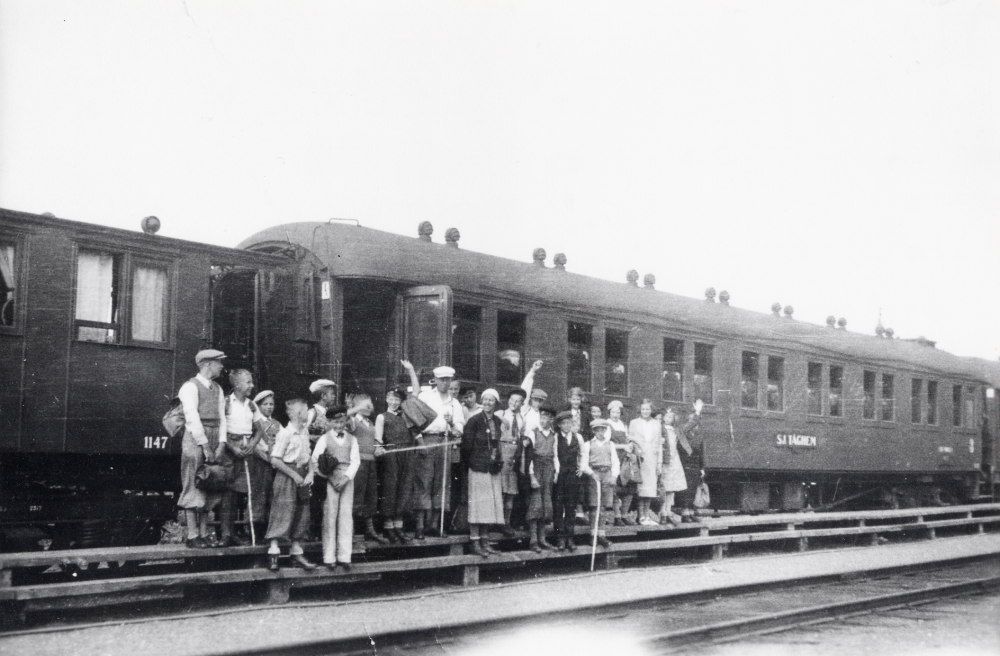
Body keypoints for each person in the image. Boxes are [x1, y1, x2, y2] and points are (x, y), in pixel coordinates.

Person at [177, 349, 228, 549]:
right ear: (208, 364)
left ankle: (205, 533)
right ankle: (192, 535)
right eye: (219, 363)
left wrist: (221, 443)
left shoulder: (218, 389)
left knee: (211, 483)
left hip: (214, 437)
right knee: (193, 482)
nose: (221, 367)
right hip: (196, 438)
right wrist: (205, 445)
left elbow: (222, 418)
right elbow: (192, 417)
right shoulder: (190, 387)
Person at [414, 365, 466, 539]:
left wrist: (451, 423)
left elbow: (459, 430)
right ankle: (420, 526)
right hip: (427, 441)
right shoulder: (425, 397)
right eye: (441, 379)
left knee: (442, 483)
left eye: (447, 380)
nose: (444, 383)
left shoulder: (454, 403)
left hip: (445, 441)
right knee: (424, 481)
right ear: (435, 380)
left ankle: (435, 525)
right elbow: (413, 422)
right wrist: (420, 443)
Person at [265, 398, 316, 571]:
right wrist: (294, 475)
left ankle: (296, 553)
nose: (308, 413)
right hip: (287, 476)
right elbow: (275, 460)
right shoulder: (285, 433)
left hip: (302, 476)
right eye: (306, 410)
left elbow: (308, 456)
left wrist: (310, 473)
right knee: (282, 512)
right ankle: (274, 553)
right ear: (299, 414)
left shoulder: (305, 432)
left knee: (302, 514)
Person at [220, 369, 266, 546]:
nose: (252, 385)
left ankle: (242, 532)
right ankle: (226, 534)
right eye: (248, 382)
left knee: (244, 491)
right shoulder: (225, 402)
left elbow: (260, 429)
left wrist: (252, 445)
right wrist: (232, 447)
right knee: (228, 492)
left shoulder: (251, 405)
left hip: (246, 449)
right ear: (237, 384)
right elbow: (221, 429)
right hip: (229, 449)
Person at [313, 405, 360, 570]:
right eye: (335, 422)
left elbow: (356, 461)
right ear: (330, 422)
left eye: (342, 422)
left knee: (346, 517)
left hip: (347, 480)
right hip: (330, 480)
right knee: (330, 516)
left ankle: (344, 556)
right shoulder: (324, 439)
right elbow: (315, 460)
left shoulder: (352, 439)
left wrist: (346, 478)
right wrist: (330, 477)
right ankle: (329, 557)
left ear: (346, 421)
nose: (339, 425)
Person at [460, 388, 505, 558]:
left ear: (496, 403)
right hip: (478, 468)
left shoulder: (498, 421)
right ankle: (475, 542)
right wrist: (473, 463)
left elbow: (498, 444)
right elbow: (466, 447)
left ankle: (485, 541)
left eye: (491, 400)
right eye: (485, 399)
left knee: (489, 506)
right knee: (478, 506)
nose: (487, 403)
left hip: (493, 469)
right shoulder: (474, 421)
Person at [376, 381, 416, 544]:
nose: (394, 402)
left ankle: (399, 526)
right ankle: (388, 527)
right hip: (391, 455)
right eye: (391, 399)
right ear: (386, 399)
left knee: (404, 487)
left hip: (407, 454)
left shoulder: (406, 416)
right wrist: (379, 448)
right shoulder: (381, 417)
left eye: (397, 399)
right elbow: (378, 439)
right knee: (391, 488)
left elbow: (416, 394)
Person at [346, 393, 387, 544]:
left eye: (371, 405)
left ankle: (370, 530)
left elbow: (375, 441)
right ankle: (349, 532)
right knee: (356, 496)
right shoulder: (353, 421)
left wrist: (378, 448)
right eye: (367, 406)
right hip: (358, 464)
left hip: (371, 464)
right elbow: (342, 417)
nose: (371, 408)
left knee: (371, 496)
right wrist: (354, 408)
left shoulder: (370, 422)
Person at [520, 406, 558, 552]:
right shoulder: (533, 432)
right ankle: (533, 540)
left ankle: (543, 539)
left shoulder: (554, 435)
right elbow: (529, 456)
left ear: (551, 420)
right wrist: (532, 477)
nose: (543, 420)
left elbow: (555, 455)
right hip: (536, 468)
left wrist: (556, 472)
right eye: (541, 417)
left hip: (548, 469)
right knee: (535, 504)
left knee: (546, 504)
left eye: (546, 418)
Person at [580, 418, 619, 548]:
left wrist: (614, 476)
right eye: (597, 430)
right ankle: (593, 535)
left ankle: (601, 535)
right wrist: (592, 474)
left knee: (603, 507)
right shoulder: (588, 444)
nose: (600, 433)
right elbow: (583, 464)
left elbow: (615, 462)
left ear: (605, 430)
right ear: (593, 431)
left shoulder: (610, 444)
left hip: (607, 474)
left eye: (602, 430)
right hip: (594, 475)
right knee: (594, 506)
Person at [248, 389, 281, 539]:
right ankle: (256, 532)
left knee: (271, 495)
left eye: (271, 404)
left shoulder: (276, 424)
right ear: (258, 406)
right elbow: (253, 443)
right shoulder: (255, 423)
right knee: (259, 495)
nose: (269, 407)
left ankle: (269, 530)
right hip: (259, 463)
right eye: (265, 404)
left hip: (273, 463)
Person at [497, 387, 528, 537]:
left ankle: (507, 522)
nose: (514, 404)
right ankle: (497, 522)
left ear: (522, 403)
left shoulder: (522, 418)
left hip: (515, 454)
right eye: (512, 400)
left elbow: (522, 437)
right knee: (501, 489)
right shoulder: (500, 414)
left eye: (518, 401)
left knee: (511, 491)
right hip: (502, 451)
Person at [552, 410, 583, 551]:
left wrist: (581, 467)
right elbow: (554, 455)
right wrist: (557, 472)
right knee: (558, 506)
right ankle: (560, 538)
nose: (566, 425)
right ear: (559, 425)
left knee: (571, 506)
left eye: (568, 423)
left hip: (573, 475)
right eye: (563, 423)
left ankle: (570, 538)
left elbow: (583, 454)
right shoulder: (555, 437)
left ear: (572, 423)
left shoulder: (577, 437)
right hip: (560, 475)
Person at [629, 400, 662, 526]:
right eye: (643, 409)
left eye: (647, 409)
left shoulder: (657, 424)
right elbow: (630, 440)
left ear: (651, 410)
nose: (645, 411)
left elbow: (659, 444)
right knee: (640, 488)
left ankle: (647, 516)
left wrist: (659, 462)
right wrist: (634, 455)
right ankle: (640, 516)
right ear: (640, 410)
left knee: (650, 489)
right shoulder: (634, 423)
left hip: (652, 459)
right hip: (639, 458)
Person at [608, 400, 640, 527]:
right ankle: (617, 516)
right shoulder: (607, 424)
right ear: (609, 412)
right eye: (613, 412)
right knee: (616, 489)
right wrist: (623, 446)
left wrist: (630, 444)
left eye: (618, 412)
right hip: (614, 457)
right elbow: (607, 444)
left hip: (626, 459)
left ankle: (624, 515)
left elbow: (627, 439)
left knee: (629, 488)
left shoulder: (623, 424)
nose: (615, 415)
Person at [673, 401, 705, 523]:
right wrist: (697, 412)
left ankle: (691, 512)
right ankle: (685, 513)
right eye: (692, 422)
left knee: (693, 490)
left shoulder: (698, 436)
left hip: (695, 466)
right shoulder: (682, 434)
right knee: (685, 490)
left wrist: (702, 468)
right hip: (684, 465)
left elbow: (702, 453)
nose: (695, 425)